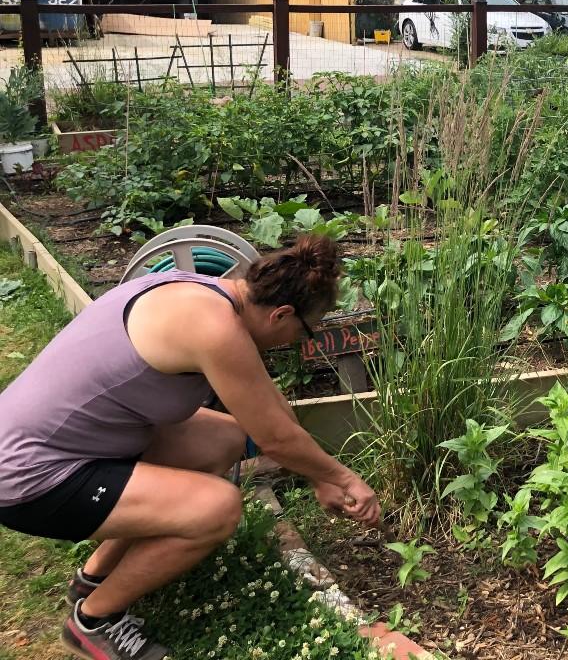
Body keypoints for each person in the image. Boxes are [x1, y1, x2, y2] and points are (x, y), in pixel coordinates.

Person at [0, 234, 380, 660]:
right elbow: (275, 439)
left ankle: (93, 577)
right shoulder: (214, 329)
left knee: (226, 437)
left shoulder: (205, 292)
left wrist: (319, 476)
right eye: (303, 332)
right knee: (217, 508)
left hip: (70, 441)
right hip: (30, 477)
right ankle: (93, 620)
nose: (298, 342)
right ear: (282, 313)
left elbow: (268, 408)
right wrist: (342, 478)